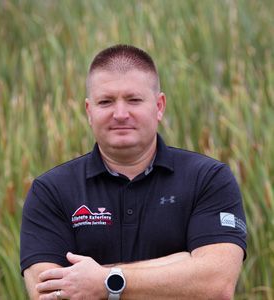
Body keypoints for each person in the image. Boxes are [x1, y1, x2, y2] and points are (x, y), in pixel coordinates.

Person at [20, 44, 247, 300]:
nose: (120, 114)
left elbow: (216, 284)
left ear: (159, 106)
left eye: (134, 100)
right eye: (105, 102)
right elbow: (50, 294)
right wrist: (180, 264)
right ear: (89, 112)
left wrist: (103, 281)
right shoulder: (51, 190)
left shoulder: (208, 179)